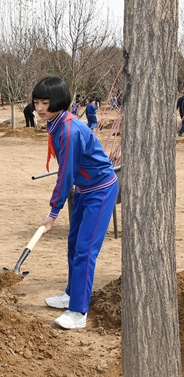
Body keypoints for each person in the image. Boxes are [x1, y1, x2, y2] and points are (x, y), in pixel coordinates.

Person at [33, 77, 118, 330]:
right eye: (36, 102)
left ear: (58, 102)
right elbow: (69, 172)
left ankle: (78, 311)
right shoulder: (56, 124)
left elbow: (66, 174)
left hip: (100, 190)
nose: (39, 108)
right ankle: (72, 293)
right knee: (73, 245)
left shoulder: (68, 130)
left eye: (45, 103)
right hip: (83, 188)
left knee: (85, 250)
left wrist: (53, 212)